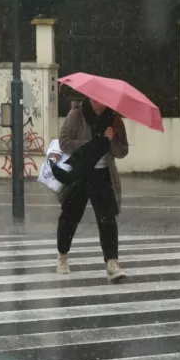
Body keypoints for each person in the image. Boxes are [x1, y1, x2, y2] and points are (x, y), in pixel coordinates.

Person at [55, 98, 129, 281]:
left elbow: (123, 151)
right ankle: (62, 254)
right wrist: (91, 145)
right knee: (70, 217)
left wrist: (110, 141)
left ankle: (112, 262)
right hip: (79, 174)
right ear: (89, 98)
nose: (99, 105)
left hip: (103, 175)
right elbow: (64, 142)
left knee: (107, 220)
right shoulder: (77, 114)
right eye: (96, 101)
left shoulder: (114, 119)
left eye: (103, 101)